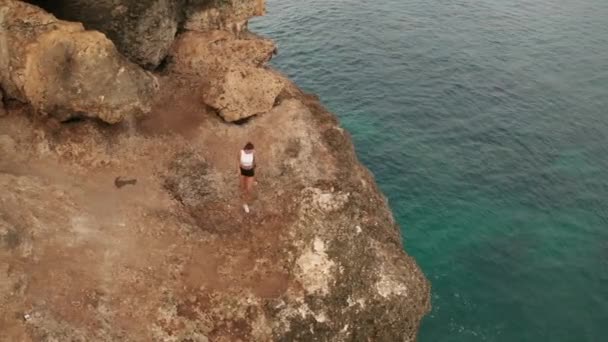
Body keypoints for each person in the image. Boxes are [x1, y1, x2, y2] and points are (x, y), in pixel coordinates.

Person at [238, 142, 256, 213]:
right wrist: (238, 169)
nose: (249, 152)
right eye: (248, 151)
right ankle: (242, 199)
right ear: (246, 149)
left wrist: (253, 167)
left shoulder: (253, 152)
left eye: (251, 151)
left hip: (250, 171)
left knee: (248, 189)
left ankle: (245, 203)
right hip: (243, 170)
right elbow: (238, 161)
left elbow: (254, 161)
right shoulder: (241, 152)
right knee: (243, 187)